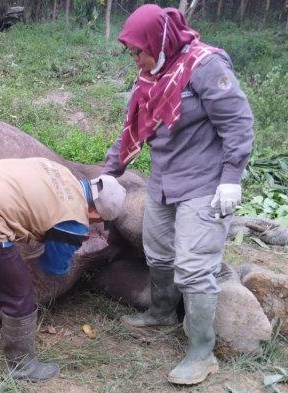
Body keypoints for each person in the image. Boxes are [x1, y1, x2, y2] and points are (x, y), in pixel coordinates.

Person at [100, 4, 254, 386]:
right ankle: (161, 313)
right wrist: (107, 173)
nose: (135, 59)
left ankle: (203, 352)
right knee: (158, 251)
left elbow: (238, 122)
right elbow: (132, 129)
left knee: (194, 265)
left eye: (139, 50)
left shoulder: (205, 67)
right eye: (131, 52)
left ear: (160, 40)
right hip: (165, 181)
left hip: (204, 184)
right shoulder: (151, 76)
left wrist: (232, 177)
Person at [0, 157, 126, 381]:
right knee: (20, 295)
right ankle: (22, 367)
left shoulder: (61, 172)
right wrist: (69, 245)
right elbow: (52, 268)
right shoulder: (74, 219)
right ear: (97, 215)